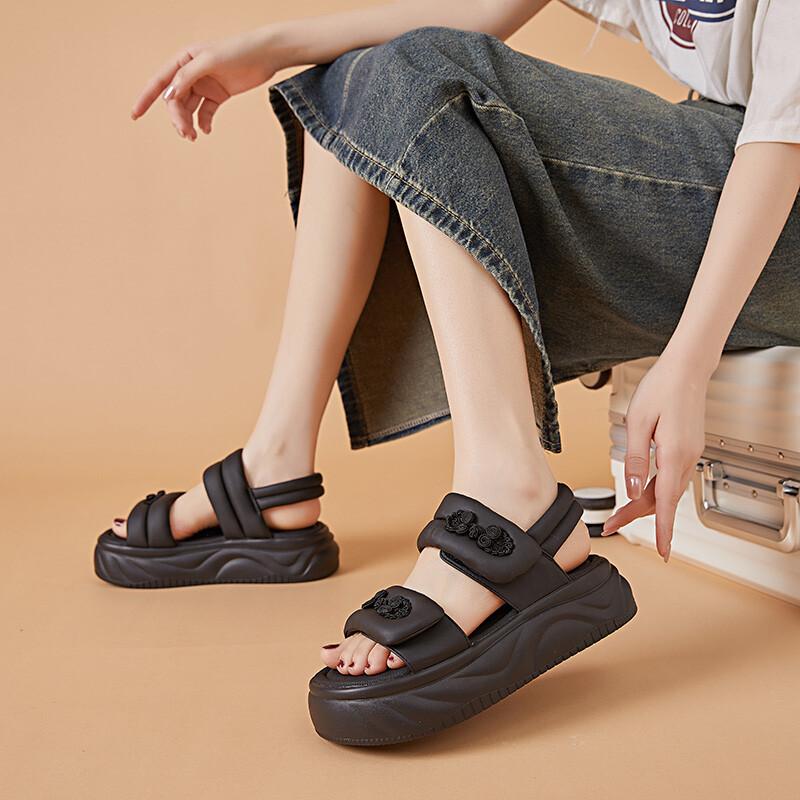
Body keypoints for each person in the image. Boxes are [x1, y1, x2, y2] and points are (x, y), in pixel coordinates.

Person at [98, 0, 800, 742]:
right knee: (358, 78)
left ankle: (509, 490)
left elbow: (781, 139)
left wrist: (689, 360)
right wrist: (269, 46)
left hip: (779, 188)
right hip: (724, 147)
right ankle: (276, 464)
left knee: (413, 74)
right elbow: (474, 9)